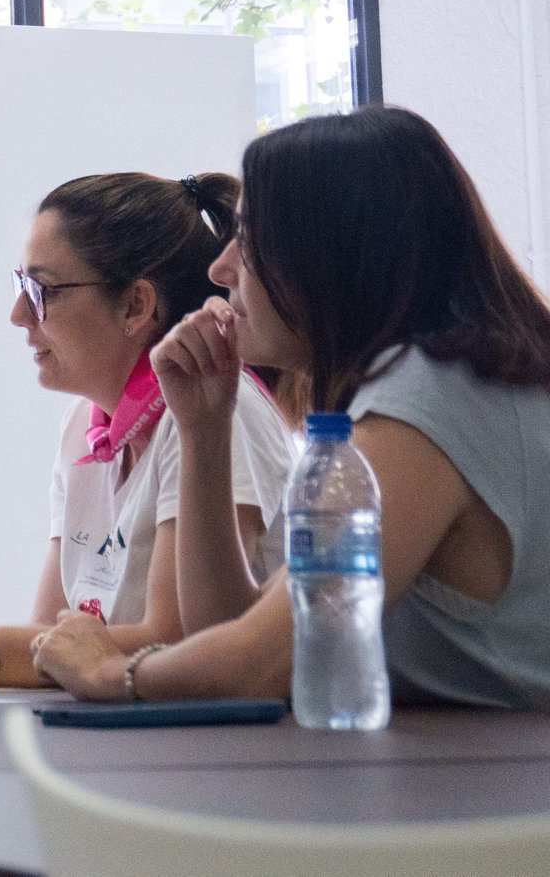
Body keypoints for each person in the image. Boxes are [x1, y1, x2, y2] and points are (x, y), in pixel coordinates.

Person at [34, 107, 550, 709]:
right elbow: (240, 631)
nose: (220, 268)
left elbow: (262, 667)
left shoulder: (432, 395)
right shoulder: (417, 386)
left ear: (333, 256)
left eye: (248, 244)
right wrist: (204, 431)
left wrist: (112, 673)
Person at [0, 171, 296, 686]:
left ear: (136, 305)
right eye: (21, 285)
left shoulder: (221, 410)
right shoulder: (84, 424)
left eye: (41, 289)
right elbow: (50, 636)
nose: (18, 315)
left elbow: (178, 637)